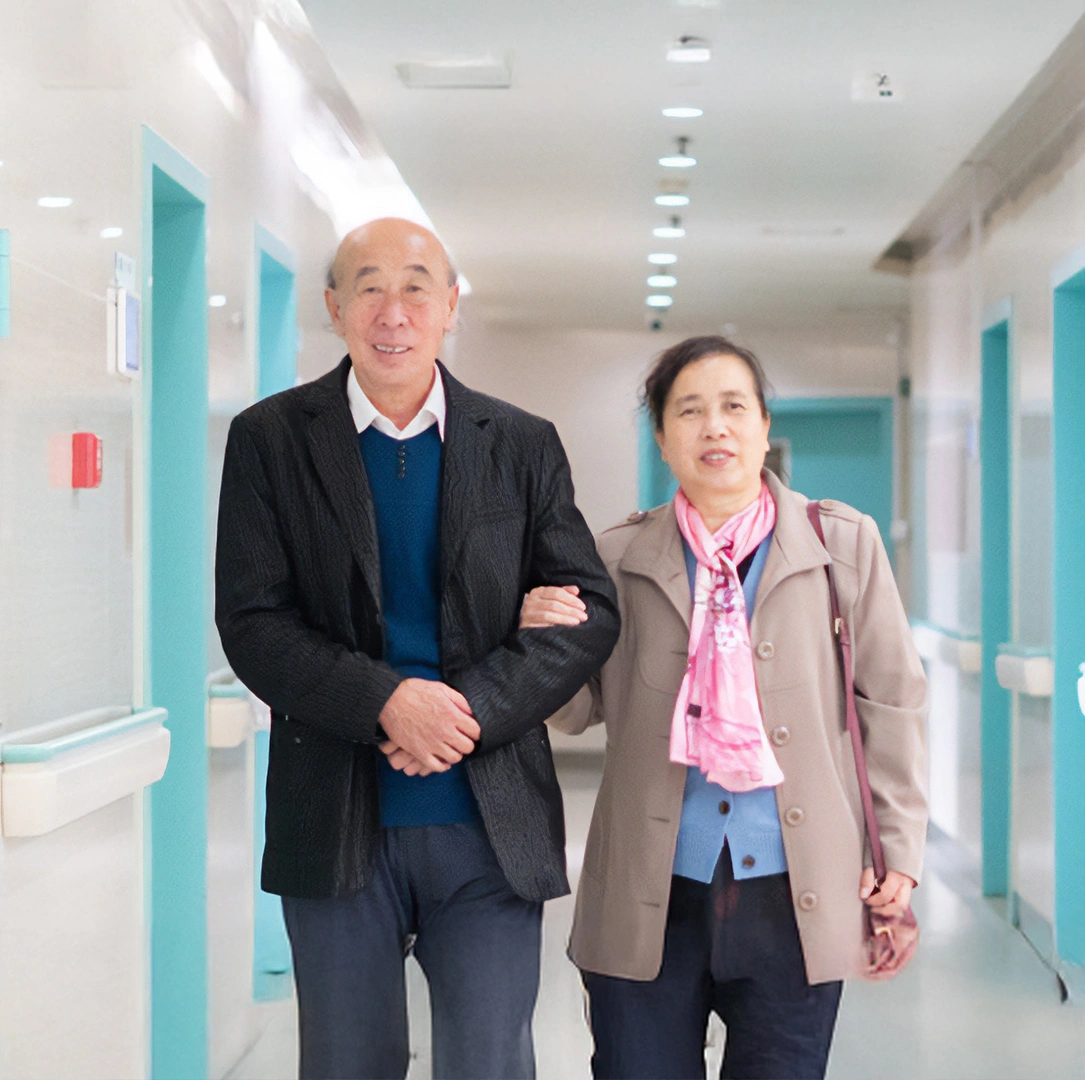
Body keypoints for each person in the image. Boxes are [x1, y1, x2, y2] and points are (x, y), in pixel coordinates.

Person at [215, 217, 620, 1080]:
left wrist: (460, 710)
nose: (391, 311)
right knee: (345, 1063)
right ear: (334, 306)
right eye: (368, 286)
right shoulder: (270, 440)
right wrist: (387, 701)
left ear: (448, 308)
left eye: (414, 287)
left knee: (488, 1063)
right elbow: (253, 621)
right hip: (335, 817)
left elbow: (588, 609)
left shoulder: (518, 442)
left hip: (488, 824)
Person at [522, 335, 928, 1080]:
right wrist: (539, 642)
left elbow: (892, 701)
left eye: (733, 406)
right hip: (650, 890)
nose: (715, 427)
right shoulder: (615, 557)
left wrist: (898, 853)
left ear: (764, 426)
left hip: (793, 893)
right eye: (690, 411)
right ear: (662, 437)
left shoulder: (840, 544)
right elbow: (579, 709)